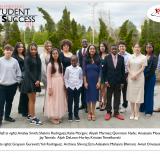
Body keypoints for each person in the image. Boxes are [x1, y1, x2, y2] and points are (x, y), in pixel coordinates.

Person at [21, 42, 42, 125]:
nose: (33, 51)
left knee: (33, 100)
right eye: (32, 49)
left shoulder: (37, 57)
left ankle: (30, 115)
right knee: (32, 100)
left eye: (35, 49)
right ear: (29, 50)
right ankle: (33, 118)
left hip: (36, 81)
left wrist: (39, 80)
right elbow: (27, 71)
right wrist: (35, 81)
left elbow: (39, 70)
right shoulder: (27, 58)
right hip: (29, 81)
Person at [0, 44, 21, 127]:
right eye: (7, 49)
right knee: (1, 103)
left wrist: (17, 81)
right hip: (2, 86)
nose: (8, 51)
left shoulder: (14, 61)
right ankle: (0, 118)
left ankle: (7, 116)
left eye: (10, 50)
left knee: (9, 102)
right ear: (4, 51)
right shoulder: (0, 60)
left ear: (12, 51)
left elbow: (18, 72)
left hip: (12, 85)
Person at [44, 48, 67, 124]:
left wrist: (64, 84)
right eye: (53, 53)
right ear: (51, 55)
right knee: (53, 100)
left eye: (56, 53)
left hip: (60, 83)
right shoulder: (50, 64)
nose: (55, 55)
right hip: (53, 83)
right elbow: (48, 77)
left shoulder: (60, 64)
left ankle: (58, 115)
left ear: (58, 54)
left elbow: (62, 75)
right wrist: (50, 88)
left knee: (59, 99)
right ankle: (53, 117)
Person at [103, 45, 125, 121]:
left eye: (115, 49)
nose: (114, 50)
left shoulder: (121, 58)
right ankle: (108, 112)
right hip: (109, 82)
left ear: (117, 49)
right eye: (112, 49)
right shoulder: (107, 58)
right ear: (110, 50)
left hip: (118, 82)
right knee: (108, 97)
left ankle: (116, 113)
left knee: (117, 97)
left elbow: (123, 71)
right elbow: (104, 71)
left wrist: (122, 82)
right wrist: (105, 81)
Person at [127, 43, 147, 120]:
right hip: (131, 77)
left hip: (140, 78)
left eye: (138, 47)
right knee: (131, 95)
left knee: (138, 95)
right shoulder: (130, 57)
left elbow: (143, 68)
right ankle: (132, 112)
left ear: (140, 48)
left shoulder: (144, 57)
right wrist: (132, 74)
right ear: (133, 48)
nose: (137, 48)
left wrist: (136, 74)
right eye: (135, 47)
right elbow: (127, 66)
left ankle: (137, 113)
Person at [84, 45, 101, 121]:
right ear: (88, 50)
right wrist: (85, 82)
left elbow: (100, 71)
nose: (92, 50)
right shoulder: (85, 59)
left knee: (94, 97)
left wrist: (99, 82)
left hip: (95, 82)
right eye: (90, 49)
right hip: (88, 81)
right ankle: (89, 113)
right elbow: (84, 71)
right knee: (88, 98)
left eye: (93, 49)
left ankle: (93, 112)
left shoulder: (98, 59)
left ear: (95, 50)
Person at [139, 43, 157, 116]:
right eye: (147, 47)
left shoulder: (154, 57)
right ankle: (143, 108)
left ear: (152, 48)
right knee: (143, 93)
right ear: (145, 48)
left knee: (149, 94)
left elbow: (152, 69)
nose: (148, 48)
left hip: (150, 78)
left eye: (150, 47)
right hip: (142, 77)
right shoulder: (143, 56)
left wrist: (143, 75)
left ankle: (149, 111)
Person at [64, 55, 83, 122]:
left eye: (75, 60)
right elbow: (65, 78)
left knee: (77, 102)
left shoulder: (79, 69)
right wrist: (67, 86)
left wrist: (80, 85)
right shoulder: (68, 68)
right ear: (70, 61)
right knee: (70, 102)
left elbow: (81, 78)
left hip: (77, 87)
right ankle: (70, 115)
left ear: (77, 61)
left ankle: (76, 114)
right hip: (70, 88)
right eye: (72, 60)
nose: (73, 62)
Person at [12, 42, 29, 117]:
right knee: (24, 93)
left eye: (22, 47)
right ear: (16, 48)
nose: (21, 48)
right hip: (20, 77)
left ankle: (21, 109)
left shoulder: (24, 55)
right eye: (19, 47)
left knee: (23, 93)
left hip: (26, 76)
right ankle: (24, 111)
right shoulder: (14, 57)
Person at [118, 41, 131, 113]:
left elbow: (131, 67)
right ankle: (118, 105)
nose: (122, 47)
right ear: (118, 48)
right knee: (117, 91)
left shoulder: (129, 56)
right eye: (120, 46)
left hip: (126, 74)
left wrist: (128, 75)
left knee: (125, 91)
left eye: (123, 46)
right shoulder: (116, 55)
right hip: (118, 75)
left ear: (125, 47)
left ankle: (125, 106)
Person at [77, 39, 88, 113]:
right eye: (83, 42)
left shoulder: (90, 50)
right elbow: (77, 61)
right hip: (80, 72)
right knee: (82, 89)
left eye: (85, 42)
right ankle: (83, 104)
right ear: (81, 43)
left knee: (87, 89)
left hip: (88, 71)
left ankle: (87, 106)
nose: (84, 43)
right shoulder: (78, 51)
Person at [97, 42, 108, 111]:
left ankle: (105, 103)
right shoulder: (98, 56)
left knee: (105, 90)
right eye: (101, 46)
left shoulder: (108, 55)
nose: (102, 47)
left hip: (106, 74)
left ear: (105, 47)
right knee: (100, 90)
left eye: (103, 46)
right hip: (99, 74)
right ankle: (100, 103)